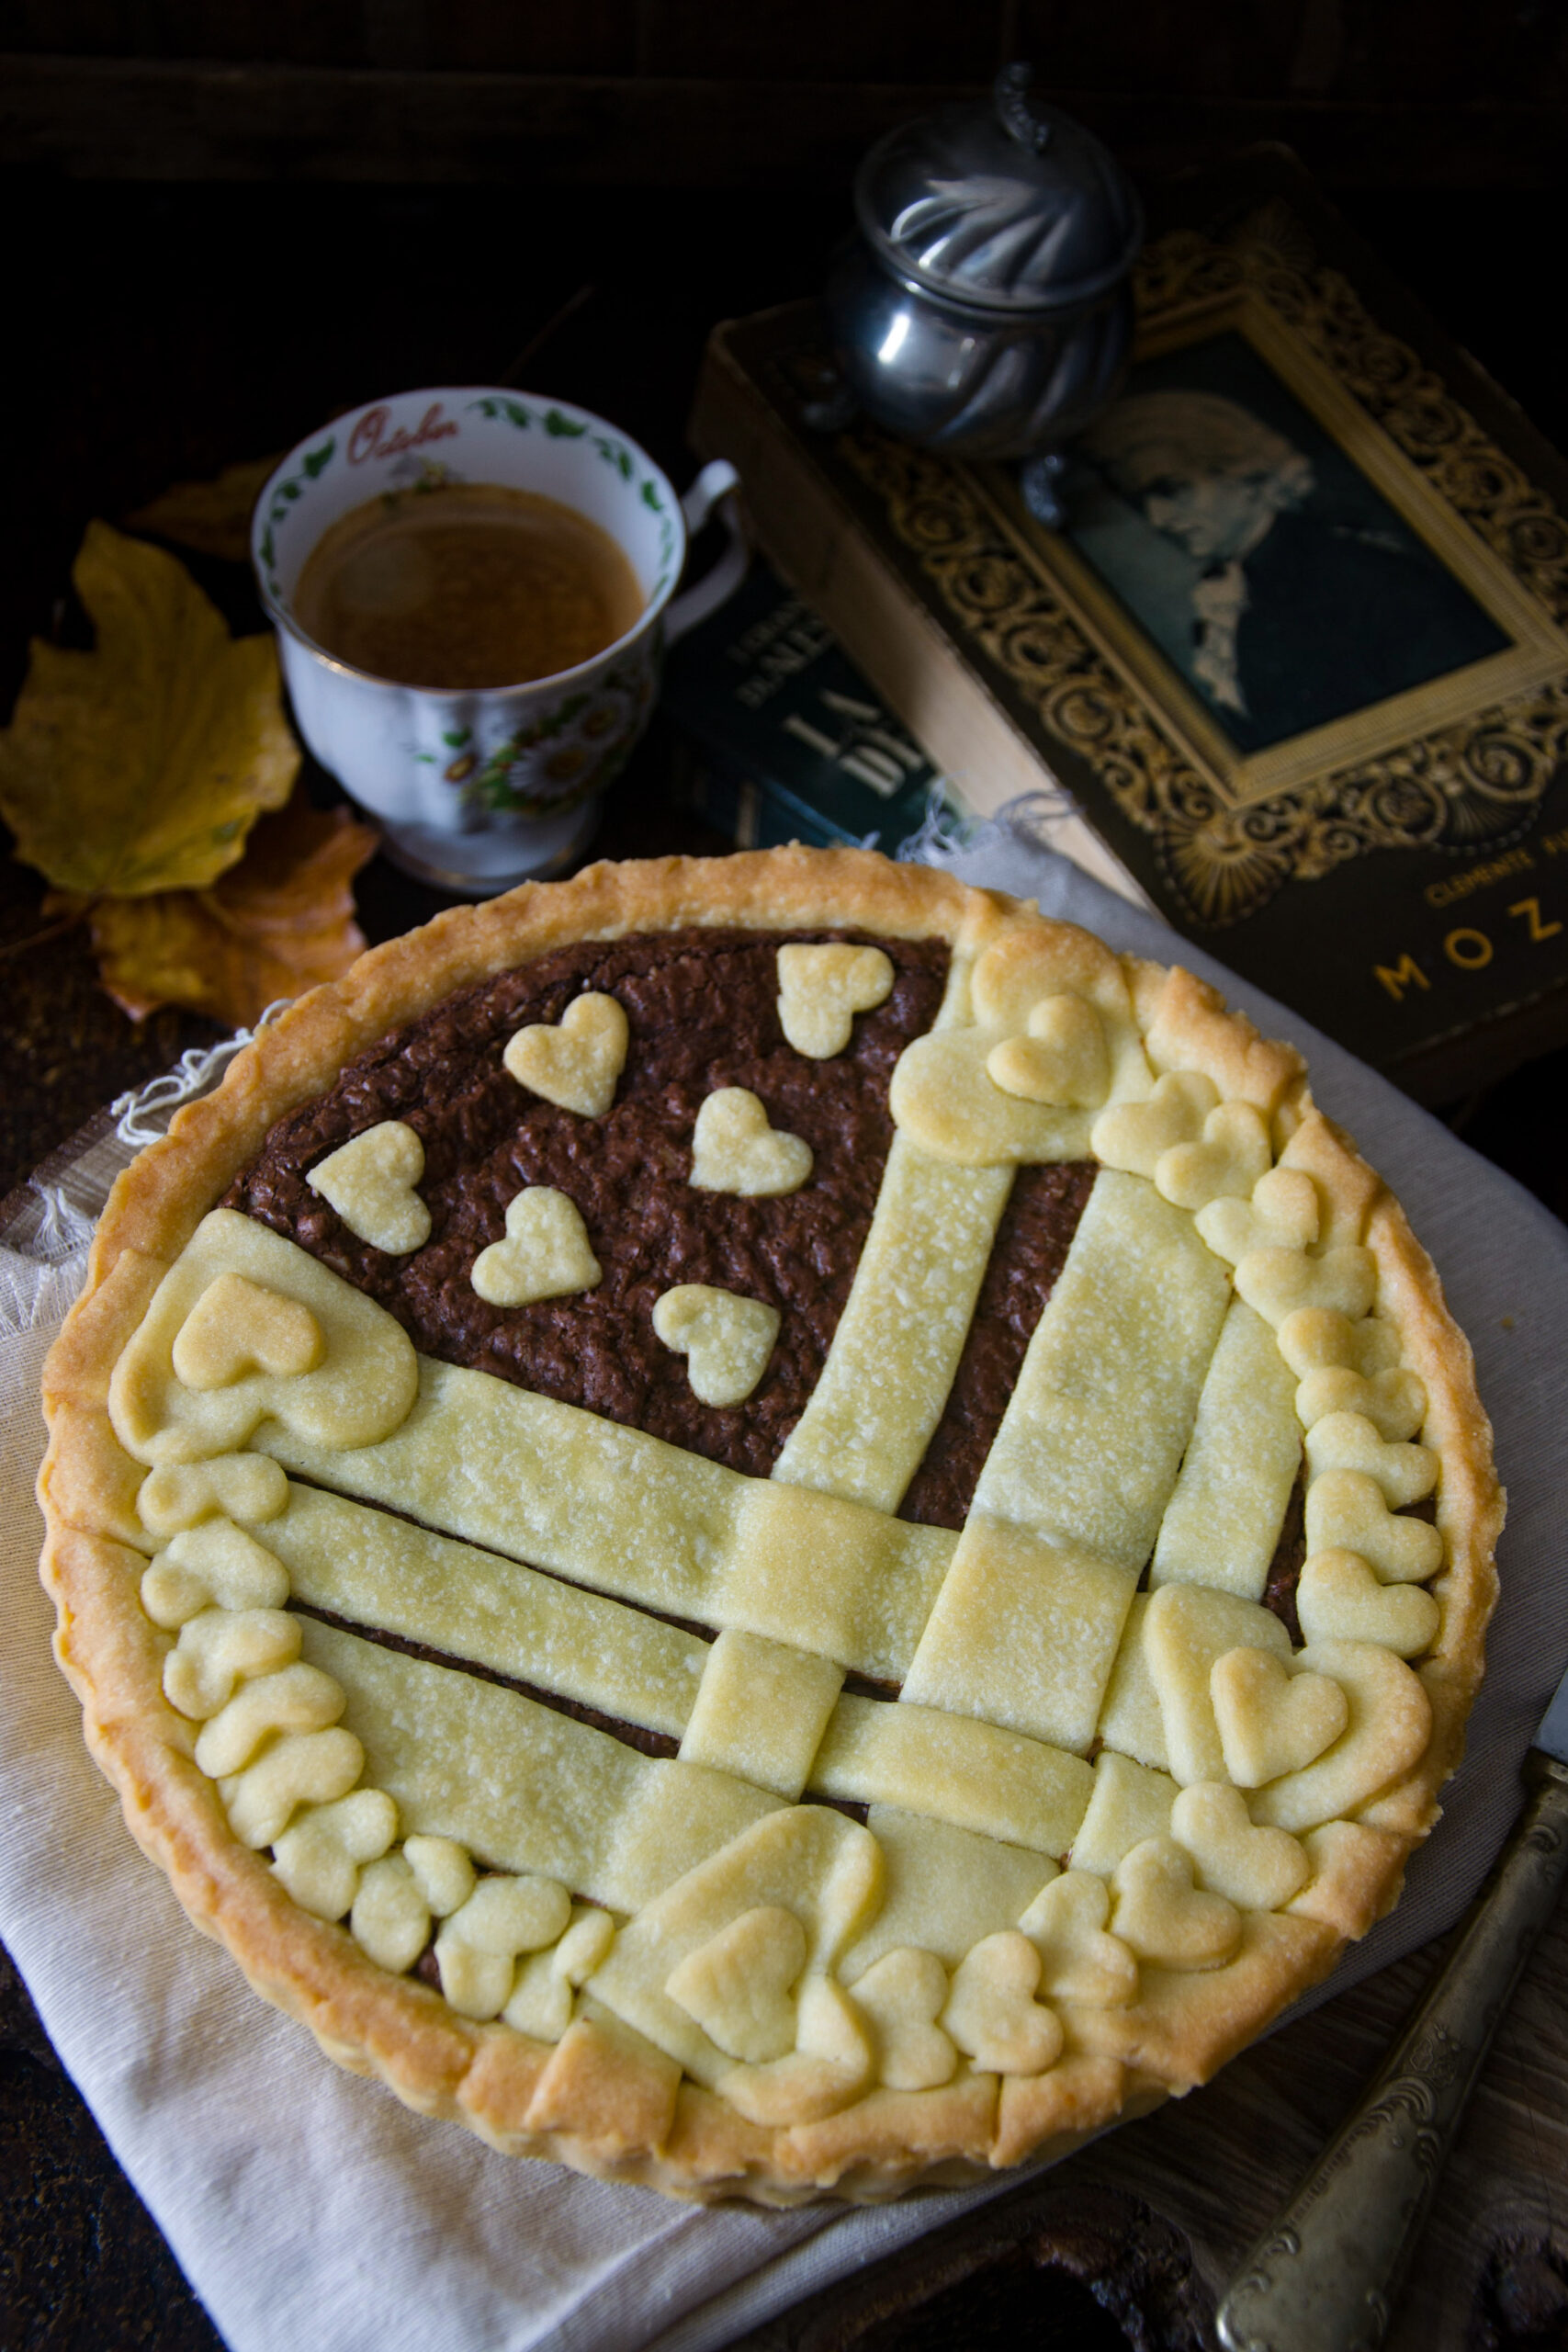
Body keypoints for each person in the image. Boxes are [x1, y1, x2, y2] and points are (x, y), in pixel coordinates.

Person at [1078, 388, 1504, 750]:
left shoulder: (1361, 577)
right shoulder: (1235, 590)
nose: (1157, 518)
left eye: (1173, 489)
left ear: (1248, 477)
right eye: (1141, 502)